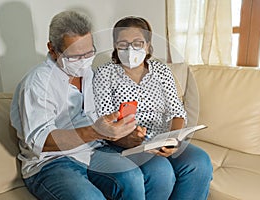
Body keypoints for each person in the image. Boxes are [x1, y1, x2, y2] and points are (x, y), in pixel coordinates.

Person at [10, 10, 169, 200]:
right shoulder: (37, 84)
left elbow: (100, 123)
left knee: (137, 176)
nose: (84, 61)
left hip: (93, 151)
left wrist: (124, 136)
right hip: (51, 162)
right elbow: (40, 141)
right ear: (52, 49)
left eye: (89, 53)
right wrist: (96, 131)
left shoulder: (89, 74)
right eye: (75, 56)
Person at [93, 16, 213, 200]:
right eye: (123, 44)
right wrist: (128, 139)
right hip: (125, 143)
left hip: (161, 138)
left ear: (148, 45)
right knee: (159, 171)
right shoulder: (104, 74)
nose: (130, 50)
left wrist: (173, 140)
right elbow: (104, 122)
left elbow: (177, 111)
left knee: (200, 162)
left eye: (137, 43)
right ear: (115, 46)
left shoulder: (161, 71)